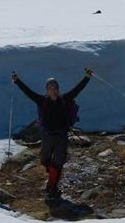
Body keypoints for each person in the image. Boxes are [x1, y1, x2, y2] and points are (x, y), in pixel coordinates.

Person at [11, 68, 93, 201]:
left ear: (57, 89)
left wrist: (87, 77)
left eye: (54, 87)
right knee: (44, 160)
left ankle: (51, 186)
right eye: (50, 88)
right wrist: (17, 81)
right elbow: (28, 92)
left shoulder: (65, 99)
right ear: (47, 90)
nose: (52, 90)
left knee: (58, 163)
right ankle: (53, 176)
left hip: (61, 136)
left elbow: (78, 89)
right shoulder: (41, 100)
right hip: (47, 135)